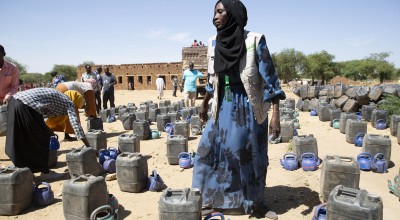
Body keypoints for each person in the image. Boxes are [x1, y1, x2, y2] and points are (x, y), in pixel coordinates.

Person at [191, 1, 285, 218]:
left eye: (220, 11)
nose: (215, 16)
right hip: (222, 102)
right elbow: (212, 78)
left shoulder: (254, 40)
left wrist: (275, 116)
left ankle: (254, 202)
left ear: (233, 14)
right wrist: (205, 102)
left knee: (243, 152)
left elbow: (271, 80)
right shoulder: (214, 42)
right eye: (214, 12)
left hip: (247, 105)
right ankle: (209, 199)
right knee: (207, 150)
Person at [5, 88, 91, 180]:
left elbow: (41, 113)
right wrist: (88, 146)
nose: (76, 109)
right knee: (41, 138)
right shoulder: (69, 102)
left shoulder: (59, 96)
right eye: (77, 106)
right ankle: (45, 173)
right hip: (26, 107)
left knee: (20, 137)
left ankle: (24, 171)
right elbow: (76, 125)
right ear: (75, 100)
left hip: (13, 102)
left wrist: (48, 130)